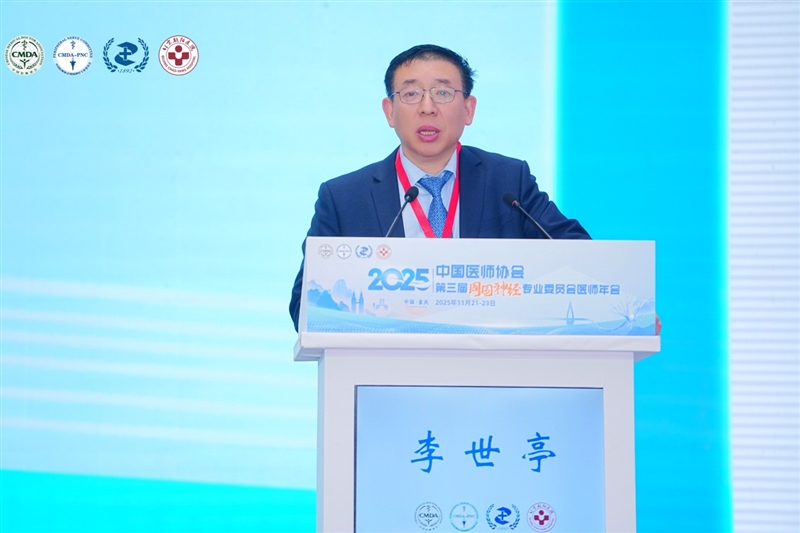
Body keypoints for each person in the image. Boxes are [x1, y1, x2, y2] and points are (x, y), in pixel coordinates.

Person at [289, 44, 590, 331]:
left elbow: (579, 258)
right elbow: (305, 306)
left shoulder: (508, 181)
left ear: (469, 109)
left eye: (443, 93)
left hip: (490, 359)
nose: (427, 107)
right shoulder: (344, 198)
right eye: (411, 94)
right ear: (389, 111)